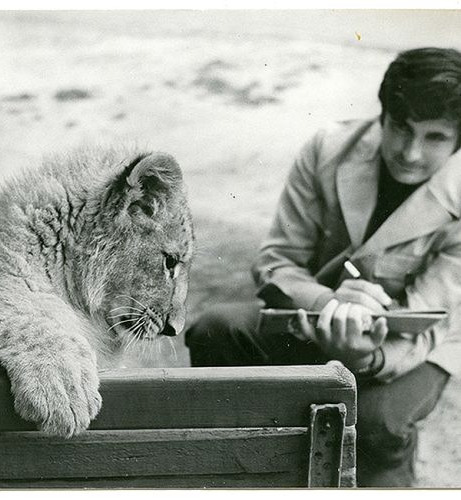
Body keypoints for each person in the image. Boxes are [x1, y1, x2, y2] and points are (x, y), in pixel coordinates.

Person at [185, 47, 461, 487]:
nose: (410, 152)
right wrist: (331, 303)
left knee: (375, 422)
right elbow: (277, 261)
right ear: (383, 115)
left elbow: (432, 319)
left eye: (435, 138)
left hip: (422, 341)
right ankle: (241, 476)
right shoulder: (328, 149)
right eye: (401, 128)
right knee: (216, 329)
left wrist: (364, 355)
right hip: (312, 315)